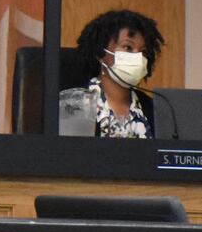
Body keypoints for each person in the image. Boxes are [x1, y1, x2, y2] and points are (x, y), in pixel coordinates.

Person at [69, 9, 165, 139]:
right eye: (128, 47)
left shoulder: (155, 110)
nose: (138, 56)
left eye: (143, 51)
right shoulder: (74, 105)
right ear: (100, 53)